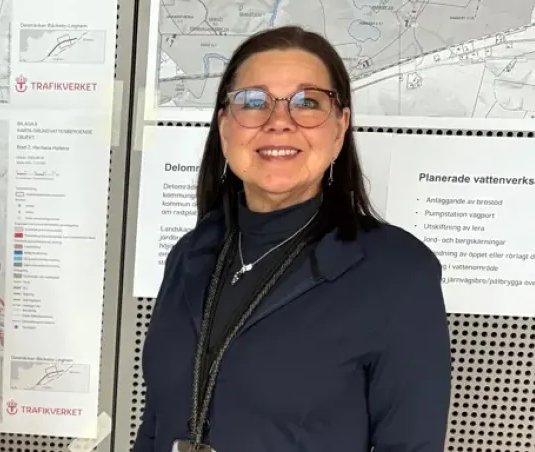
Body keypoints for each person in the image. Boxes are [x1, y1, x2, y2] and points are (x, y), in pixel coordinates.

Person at [134, 26, 451, 452]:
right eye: (253, 102)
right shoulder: (192, 254)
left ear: (340, 129)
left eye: (307, 103)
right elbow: (155, 424)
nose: (279, 122)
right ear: (225, 127)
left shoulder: (397, 273)